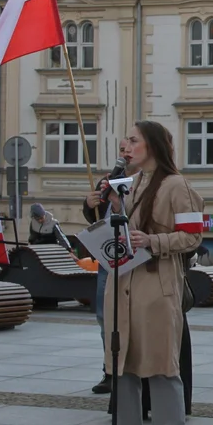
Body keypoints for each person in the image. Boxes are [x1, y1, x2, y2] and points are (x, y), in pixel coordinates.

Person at [102, 121, 203, 425]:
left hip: (156, 288)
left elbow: (193, 237)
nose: (125, 145)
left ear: (153, 146)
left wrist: (154, 242)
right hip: (122, 284)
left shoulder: (177, 185)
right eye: (124, 139)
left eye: (133, 140)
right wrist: (113, 207)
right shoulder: (131, 183)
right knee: (122, 369)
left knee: (161, 369)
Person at [83, 142, 137, 395]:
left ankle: (130, 370)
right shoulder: (108, 180)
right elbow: (95, 216)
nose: (124, 154)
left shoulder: (142, 182)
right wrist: (89, 202)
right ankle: (109, 371)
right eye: (122, 149)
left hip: (134, 257)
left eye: (130, 148)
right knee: (106, 316)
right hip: (108, 256)